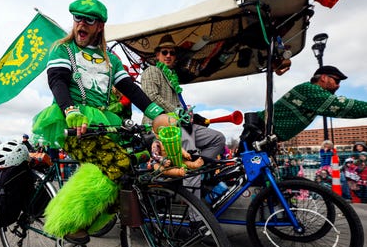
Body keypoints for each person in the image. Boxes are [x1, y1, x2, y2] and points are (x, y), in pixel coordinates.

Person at [32, 0, 164, 244]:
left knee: (131, 171)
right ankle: (66, 221)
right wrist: (71, 111)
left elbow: (130, 88)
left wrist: (157, 113)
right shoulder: (64, 49)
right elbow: (57, 81)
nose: (81, 24)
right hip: (72, 120)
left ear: (99, 26)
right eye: (77, 18)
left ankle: (88, 220)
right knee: (118, 164)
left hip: (103, 122)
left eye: (88, 20)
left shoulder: (111, 60)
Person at [140, 34, 226, 195]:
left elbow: (179, 108)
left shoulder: (172, 77)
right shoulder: (152, 71)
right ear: (157, 55)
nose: (168, 56)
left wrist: (192, 116)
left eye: (172, 53)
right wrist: (177, 112)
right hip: (161, 128)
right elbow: (151, 96)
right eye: (164, 52)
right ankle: (196, 217)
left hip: (180, 125)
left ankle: (198, 171)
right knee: (191, 157)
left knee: (218, 138)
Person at [239, 65, 367, 150]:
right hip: (258, 133)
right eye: (337, 81)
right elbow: (344, 106)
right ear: (323, 77)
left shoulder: (311, 92)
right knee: (249, 179)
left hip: (263, 136)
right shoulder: (311, 90)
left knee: (258, 181)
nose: (338, 86)